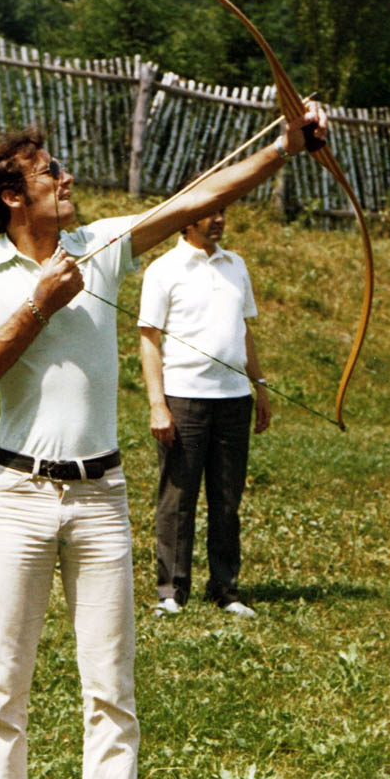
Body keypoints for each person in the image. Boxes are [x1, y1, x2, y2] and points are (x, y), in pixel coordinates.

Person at [0, 105, 326, 779]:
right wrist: (40, 303)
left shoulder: (102, 245)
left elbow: (197, 197)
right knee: (2, 686)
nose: (66, 178)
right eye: (49, 172)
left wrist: (287, 144)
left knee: (110, 687)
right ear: (13, 197)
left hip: (101, 496)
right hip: (18, 494)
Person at [138, 204, 270, 619]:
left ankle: (226, 589)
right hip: (184, 400)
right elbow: (148, 339)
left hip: (233, 400)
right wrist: (158, 405)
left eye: (222, 212)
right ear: (187, 219)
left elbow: (244, 331)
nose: (218, 220)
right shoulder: (164, 268)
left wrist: (260, 387)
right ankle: (171, 591)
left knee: (227, 499)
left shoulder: (236, 265)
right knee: (178, 498)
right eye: (209, 213)